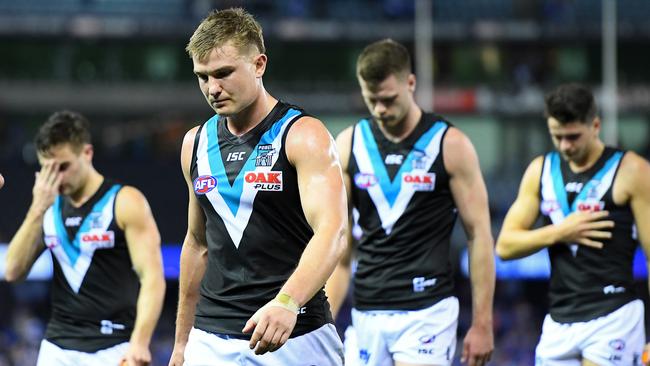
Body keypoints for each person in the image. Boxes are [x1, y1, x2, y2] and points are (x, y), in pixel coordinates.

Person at [167, 8, 347, 366]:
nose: (212, 89)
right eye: (202, 77)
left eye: (223, 73)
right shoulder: (195, 143)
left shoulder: (303, 135)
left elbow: (333, 231)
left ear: (259, 64)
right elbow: (197, 243)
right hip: (211, 339)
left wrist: (287, 302)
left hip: (296, 334)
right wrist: (181, 343)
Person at [325, 39, 495, 366]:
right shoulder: (348, 145)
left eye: (388, 99)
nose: (380, 110)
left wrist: (482, 323)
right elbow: (339, 249)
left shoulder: (451, 145)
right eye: (372, 100)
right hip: (367, 313)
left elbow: (480, 235)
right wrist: (323, 323)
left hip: (427, 312)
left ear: (411, 83)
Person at [496, 83, 650, 365]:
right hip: (559, 320)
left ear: (595, 125)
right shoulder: (540, 172)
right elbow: (505, 246)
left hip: (614, 315)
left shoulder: (632, 171)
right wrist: (560, 232)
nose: (566, 146)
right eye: (557, 136)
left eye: (573, 136)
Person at [4, 110, 166, 366]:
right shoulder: (47, 208)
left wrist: (140, 342)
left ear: (87, 153)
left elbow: (153, 278)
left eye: (63, 166)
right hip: (57, 346)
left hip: (114, 346)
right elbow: (13, 271)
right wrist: (37, 208)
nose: (57, 177)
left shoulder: (124, 201)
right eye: (47, 169)